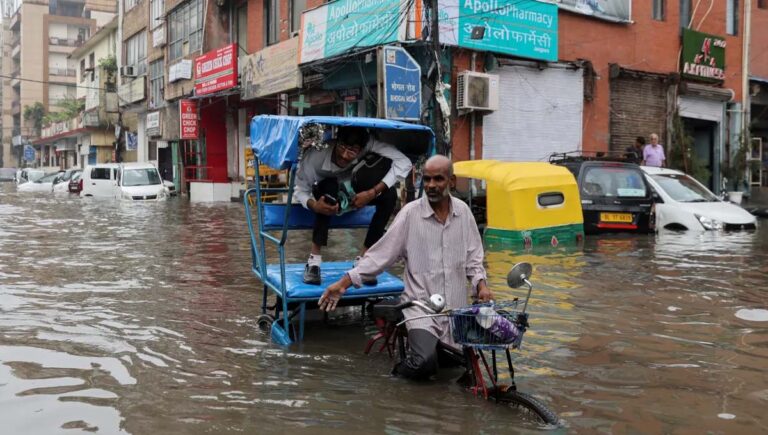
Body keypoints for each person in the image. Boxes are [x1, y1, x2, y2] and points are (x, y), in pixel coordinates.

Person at [319, 155, 492, 380]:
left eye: (438, 179)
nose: (431, 185)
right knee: (424, 363)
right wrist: (343, 284)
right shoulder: (410, 214)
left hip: (455, 311)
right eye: (427, 179)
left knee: (463, 370)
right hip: (420, 308)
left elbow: (474, 260)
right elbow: (380, 255)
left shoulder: (464, 213)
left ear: (451, 181)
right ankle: (395, 380)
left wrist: (482, 286)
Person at [294, 126, 412, 285]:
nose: (344, 155)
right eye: (342, 147)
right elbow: (300, 189)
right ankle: (314, 261)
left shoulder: (369, 145)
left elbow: (404, 162)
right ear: (337, 142)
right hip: (327, 195)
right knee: (329, 188)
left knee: (389, 195)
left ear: (362, 148)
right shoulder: (315, 156)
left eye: (352, 151)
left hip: (354, 190)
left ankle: (364, 260)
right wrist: (315, 206)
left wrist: (372, 193)